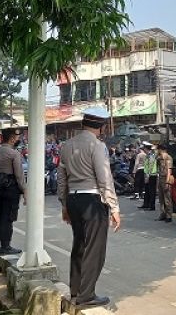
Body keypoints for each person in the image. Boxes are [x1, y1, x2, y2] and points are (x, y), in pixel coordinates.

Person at [58, 107, 121, 309]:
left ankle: (75, 290)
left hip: (73, 200)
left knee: (79, 245)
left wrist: (64, 204)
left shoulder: (66, 145)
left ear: (83, 123)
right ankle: (87, 296)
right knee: (95, 249)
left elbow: (61, 178)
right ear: (101, 127)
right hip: (92, 200)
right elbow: (104, 178)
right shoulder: (97, 145)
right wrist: (114, 207)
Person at [0, 128, 27, 255]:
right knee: (8, 217)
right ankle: (6, 246)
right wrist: (25, 190)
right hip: (11, 190)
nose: (18, 139)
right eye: (16, 137)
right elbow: (19, 175)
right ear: (11, 138)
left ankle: (3, 243)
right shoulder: (13, 153)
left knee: (0, 216)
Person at [155, 144, 174, 223]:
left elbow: (169, 170)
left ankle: (169, 215)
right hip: (160, 179)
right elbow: (157, 169)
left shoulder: (168, 158)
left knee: (167, 198)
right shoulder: (159, 158)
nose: (157, 151)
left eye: (158, 150)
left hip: (166, 178)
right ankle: (162, 214)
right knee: (161, 198)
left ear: (161, 149)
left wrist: (167, 182)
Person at [139, 144, 158, 211]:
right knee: (147, 190)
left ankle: (152, 206)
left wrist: (148, 175)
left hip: (151, 175)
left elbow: (151, 166)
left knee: (151, 191)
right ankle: (146, 204)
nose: (143, 150)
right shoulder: (148, 155)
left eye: (144, 149)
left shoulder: (151, 155)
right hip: (148, 174)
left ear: (147, 149)